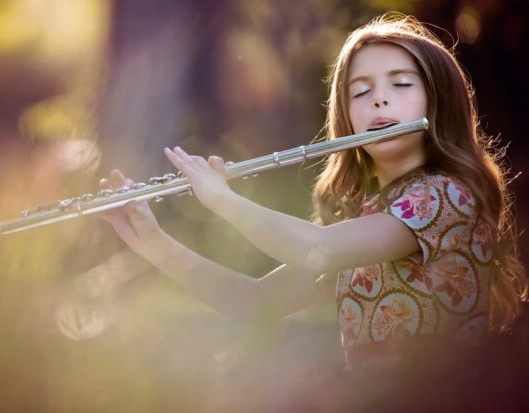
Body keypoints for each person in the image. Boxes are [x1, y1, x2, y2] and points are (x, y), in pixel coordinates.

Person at [93, 13, 526, 409]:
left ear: (438, 101)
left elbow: (314, 248)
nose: (379, 101)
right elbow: (250, 300)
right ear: (346, 113)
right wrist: (151, 241)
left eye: (400, 84)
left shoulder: (447, 197)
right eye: (362, 91)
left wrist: (223, 200)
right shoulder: (369, 216)